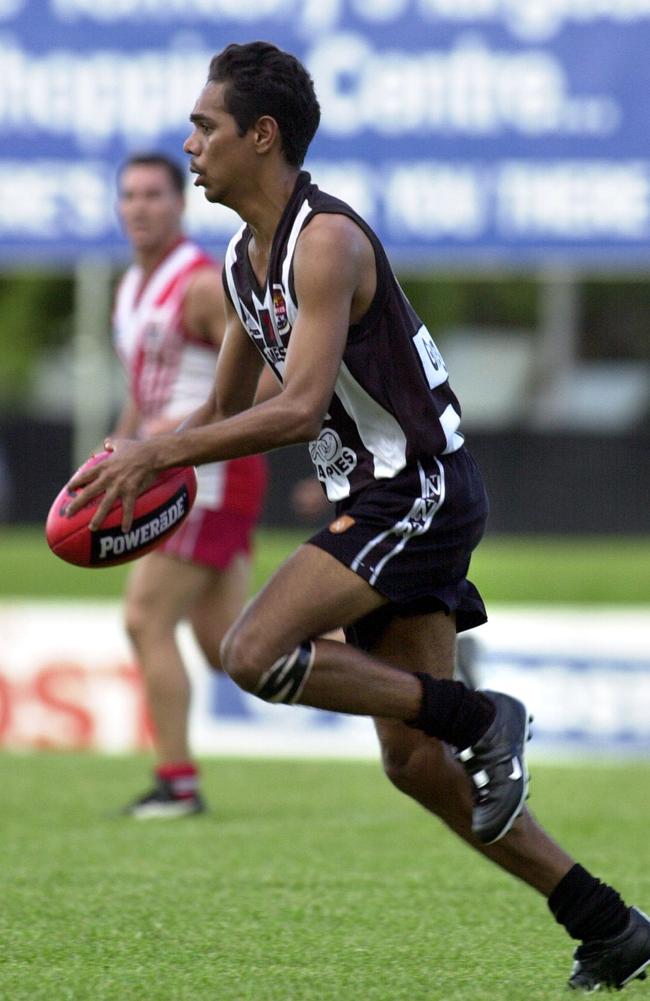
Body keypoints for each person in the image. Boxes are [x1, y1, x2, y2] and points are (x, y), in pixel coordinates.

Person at [68, 43, 650, 990]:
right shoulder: (238, 259)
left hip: (416, 490)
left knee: (253, 653)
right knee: (415, 763)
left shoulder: (326, 241)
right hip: (380, 497)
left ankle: (484, 711)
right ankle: (608, 920)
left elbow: (296, 407)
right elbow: (218, 413)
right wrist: (128, 462)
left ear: (262, 136)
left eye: (206, 126)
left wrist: (159, 454)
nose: (190, 145)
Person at [110, 152, 267, 818]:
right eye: (129, 195)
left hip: (208, 472)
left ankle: (177, 782)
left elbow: (271, 377)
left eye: (153, 194)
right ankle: (412, 657)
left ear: (179, 204)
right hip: (177, 469)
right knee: (231, 644)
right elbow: (145, 393)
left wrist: (173, 428)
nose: (140, 206)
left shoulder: (201, 285)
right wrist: (114, 449)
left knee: (146, 616)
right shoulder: (131, 286)